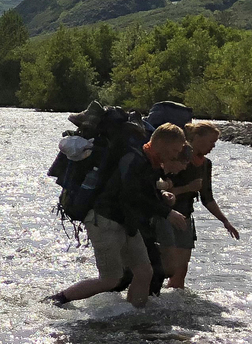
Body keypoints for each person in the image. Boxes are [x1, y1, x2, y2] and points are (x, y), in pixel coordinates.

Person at [54, 123, 191, 309]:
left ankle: (135, 316)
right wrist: (167, 212)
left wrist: (162, 198)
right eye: (174, 150)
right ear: (161, 143)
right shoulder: (134, 160)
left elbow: (144, 194)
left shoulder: (150, 163)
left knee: (144, 272)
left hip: (127, 223)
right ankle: (58, 300)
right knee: (110, 280)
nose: (176, 155)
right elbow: (130, 194)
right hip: (104, 220)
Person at [157, 122, 240, 288]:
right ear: (196, 138)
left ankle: (176, 307)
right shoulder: (176, 156)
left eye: (215, 142)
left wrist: (225, 221)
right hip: (165, 215)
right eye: (211, 142)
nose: (213, 146)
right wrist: (188, 188)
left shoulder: (206, 164)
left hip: (186, 217)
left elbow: (207, 198)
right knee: (168, 268)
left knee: (181, 271)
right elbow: (159, 191)